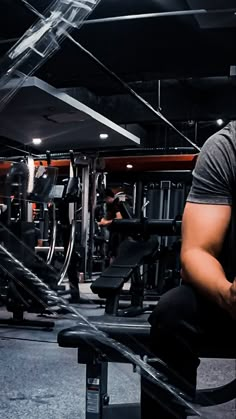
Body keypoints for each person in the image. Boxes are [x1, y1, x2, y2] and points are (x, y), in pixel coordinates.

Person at [141, 121, 236, 418]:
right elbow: (196, 250)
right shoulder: (228, 146)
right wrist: (226, 294)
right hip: (229, 294)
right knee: (173, 311)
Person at [98, 188, 123, 262]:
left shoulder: (115, 204)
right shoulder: (111, 205)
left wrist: (106, 222)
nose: (105, 201)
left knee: (114, 252)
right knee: (111, 252)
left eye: (105, 199)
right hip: (113, 232)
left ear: (108, 197)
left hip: (117, 233)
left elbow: (119, 218)